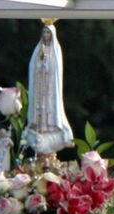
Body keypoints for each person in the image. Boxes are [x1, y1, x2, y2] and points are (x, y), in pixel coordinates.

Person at [23, 23, 74, 155]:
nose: (46, 35)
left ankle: (51, 130)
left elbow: (56, 70)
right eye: (44, 32)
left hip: (50, 87)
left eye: (48, 33)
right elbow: (33, 67)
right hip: (40, 87)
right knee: (39, 109)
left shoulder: (55, 50)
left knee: (49, 108)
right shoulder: (38, 49)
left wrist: (47, 63)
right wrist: (40, 61)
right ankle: (39, 129)